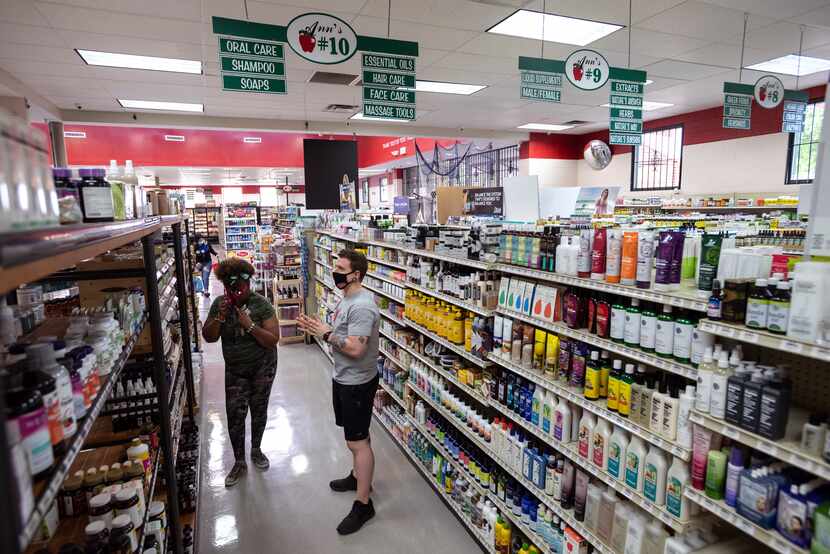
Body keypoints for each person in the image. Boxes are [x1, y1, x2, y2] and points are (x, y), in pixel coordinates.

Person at [298, 249, 380, 535]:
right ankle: (359, 476)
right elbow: (342, 334)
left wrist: (326, 334)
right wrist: (323, 328)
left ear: (356, 273)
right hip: (345, 378)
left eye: (341, 268)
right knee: (358, 437)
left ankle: (363, 503)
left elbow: (357, 349)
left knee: (358, 442)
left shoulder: (362, 306)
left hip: (357, 381)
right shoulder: (348, 298)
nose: (335, 272)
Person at [202, 258, 280, 487]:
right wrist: (220, 317)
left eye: (242, 283)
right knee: (235, 415)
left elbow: (273, 339)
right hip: (235, 370)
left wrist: (250, 325)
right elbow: (209, 336)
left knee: (259, 409)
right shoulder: (219, 305)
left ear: (249, 282)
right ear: (225, 285)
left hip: (262, 367)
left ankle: (256, 450)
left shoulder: (261, 304)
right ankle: (239, 461)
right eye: (231, 285)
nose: (237, 289)